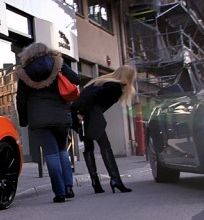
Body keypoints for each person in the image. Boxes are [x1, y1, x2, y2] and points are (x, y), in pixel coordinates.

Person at [16, 42, 80, 203]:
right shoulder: (58, 64)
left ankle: (59, 193)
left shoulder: (25, 73)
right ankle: (68, 187)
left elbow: (21, 100)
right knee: (62, 151)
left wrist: (23, 121)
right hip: (61, 117)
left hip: (39, 119)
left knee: (50, 154)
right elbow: (76, 79)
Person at [70, 64, 137, 194]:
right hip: (87, 114)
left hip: (78, 115)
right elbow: (92, 97)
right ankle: (115, 180)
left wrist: (80, 114)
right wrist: (83, 113)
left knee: (89, 147)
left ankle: (96, 183)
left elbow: (85, 96)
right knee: (105, 146)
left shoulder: (101, 81)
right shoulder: (115, 87)